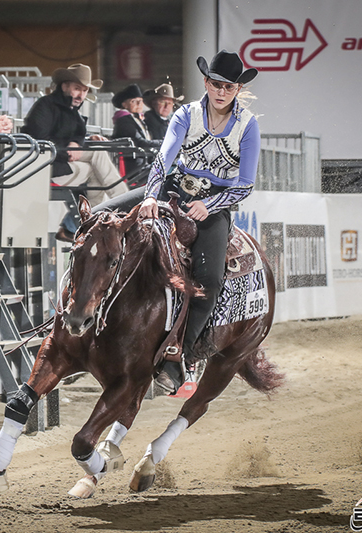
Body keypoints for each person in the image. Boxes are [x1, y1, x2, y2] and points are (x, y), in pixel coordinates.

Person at [94, 50, 260, 394]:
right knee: (99, 219)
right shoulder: (186, 114)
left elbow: (245, 184)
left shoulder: (248, 125)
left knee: (210, 278)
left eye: (228, 87)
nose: (220, 92)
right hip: (174, 189)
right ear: (206, 82)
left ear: (237, 89)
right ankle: (81, 312)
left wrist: (211, 204)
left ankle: (180, 355)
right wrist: (152, 195)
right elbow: (163, 159)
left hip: (213, 205)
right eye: (216, 84)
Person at [21, 63, 129, 242]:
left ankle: (93, 223)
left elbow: (78, 134)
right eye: (77, 89)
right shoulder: (45, 106)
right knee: (97, 154)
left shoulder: (73, 112)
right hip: (43, 167)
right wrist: (68, 149)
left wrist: (80, 142)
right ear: (64, 86)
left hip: (59, 162)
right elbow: (39, 139)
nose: (81, 95)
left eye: (85, 90)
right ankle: (126, 205)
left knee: (95, 164)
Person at [111, 83, 162, 177]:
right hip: (135, 166)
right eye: (134, 101)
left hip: (142, 162)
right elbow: (141, 142)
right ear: (124, 104)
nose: (139, 104)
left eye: (141, 101)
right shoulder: (124, 121)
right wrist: (163, 143)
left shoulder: (138, 119)